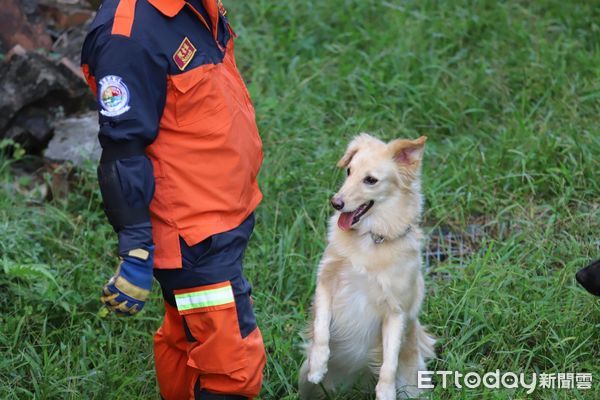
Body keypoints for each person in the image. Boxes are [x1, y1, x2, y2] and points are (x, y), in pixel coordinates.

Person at [80, 0, 266, 398]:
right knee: (231, 367)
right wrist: (136, 250)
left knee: (185, 338)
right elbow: (122, 150)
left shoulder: (193, 5)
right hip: (195, 237)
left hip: (223, 213)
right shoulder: (127, 35)